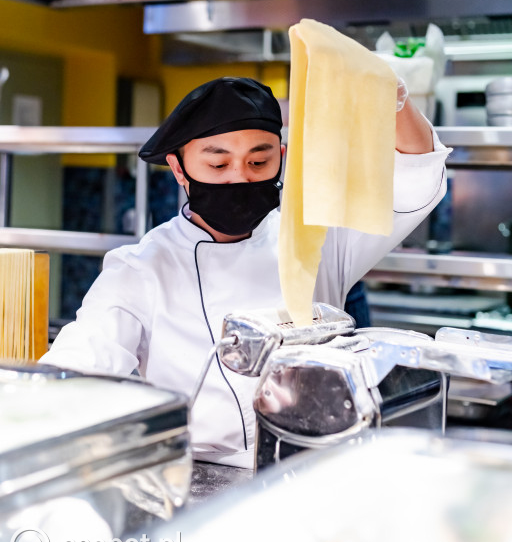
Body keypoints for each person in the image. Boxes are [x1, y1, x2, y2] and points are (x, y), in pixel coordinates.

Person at [41, 76, 450, 468]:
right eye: (218, 165)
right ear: (179, 169)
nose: (240, 176)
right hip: (200, 473)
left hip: (319, 463)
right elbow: (78, 369)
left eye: (258, 161)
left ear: (281, 159)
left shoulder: (319, 237)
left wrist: (395, 100)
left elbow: (416, 178)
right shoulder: (143, 268)